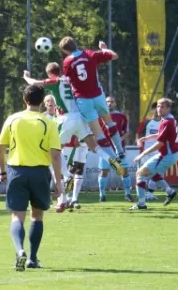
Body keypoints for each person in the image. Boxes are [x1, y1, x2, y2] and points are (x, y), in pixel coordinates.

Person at [23, 63, 124, 211]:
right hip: (81, 118)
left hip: (66, 119)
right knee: (93, 146)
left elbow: (35, 84)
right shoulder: (72, 81)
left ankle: (64, 193)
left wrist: (26, 77)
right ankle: (111, 159)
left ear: (50, 73)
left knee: (54, 153)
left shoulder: (55, 82)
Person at [0, 84, 62, 271]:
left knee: (17, 217)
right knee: (37, 216)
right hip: (40, 172)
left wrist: (2, 171)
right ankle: (32, 258)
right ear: (42, 102)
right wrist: (58, 181)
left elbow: (0, 148)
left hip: (17, 172)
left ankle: (19, 251)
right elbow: (56, 155)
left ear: (24, 99)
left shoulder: (13, 119)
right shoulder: (48, 122)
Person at [59, 37, 126, 159]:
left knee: (98, 132)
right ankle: (120, 150)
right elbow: (114, 56)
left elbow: (68, 80)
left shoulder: (67, 62)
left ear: (65, 51)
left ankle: (114, 160)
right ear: (76, 44)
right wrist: (104, 49)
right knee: (109, 122)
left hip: (83, 99)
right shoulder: (90, 54)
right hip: (98, 95)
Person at [130, 98, 178, 210]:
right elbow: (163, 135)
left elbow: (160, 143)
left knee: (140, 173)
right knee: (153, 174)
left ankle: (141, 204)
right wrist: (149, 137)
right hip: (171, 153)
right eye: (158, 106)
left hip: (167, 154)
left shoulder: (167, 121)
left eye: (162, 107)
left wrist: (142, 154)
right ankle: (170, 192)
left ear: (168, 108)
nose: (159, 109)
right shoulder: (169, 119)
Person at [97, 96, 133, 202]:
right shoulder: (100, 117)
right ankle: (102, 195)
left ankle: (127, 193)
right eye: (107, 102)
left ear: (115, 104)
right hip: (105, 149)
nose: (109, 104)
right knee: (104, 172)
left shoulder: (121, 116)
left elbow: (126, 132)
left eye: (111, 102)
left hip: (119, 151)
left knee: (124, 171)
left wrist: (120, 140)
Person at [136, 102, 162, 201]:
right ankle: (141, 196)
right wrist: (139, 142)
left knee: (155, 174)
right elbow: (138, 134)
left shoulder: (164, 122)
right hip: (145, 153)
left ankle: (150, 194)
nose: (157, 110)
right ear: (152, 110)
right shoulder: (146, 122)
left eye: (159, 107)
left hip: (158, 152)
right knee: (142, 174)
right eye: (155, 108)